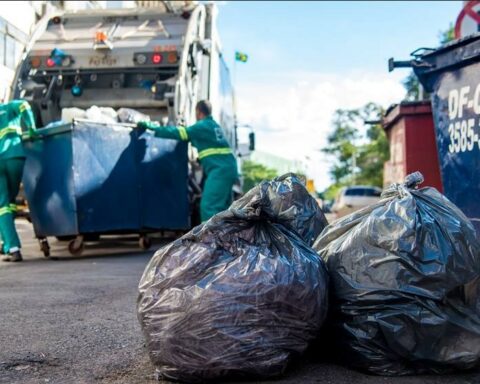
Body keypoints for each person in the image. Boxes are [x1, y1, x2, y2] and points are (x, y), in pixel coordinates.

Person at [138, 100, 238, 222]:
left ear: (198, 112)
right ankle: (226, 238)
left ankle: (210, 239)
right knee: (222, 209)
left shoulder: (201, 126)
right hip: (229, 169)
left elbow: (178, 133)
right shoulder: (214, 125)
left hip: (219, 171)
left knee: (208, 206)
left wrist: (155, 128)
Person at [0, 100, 37, 262]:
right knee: (9, 202)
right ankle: (6, 244)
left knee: (3, 206)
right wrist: (32, 128)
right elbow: (25, 106)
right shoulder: (9, 107)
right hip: (15, 156)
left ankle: (12, 247)